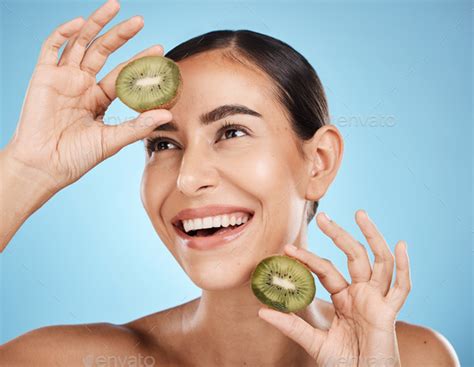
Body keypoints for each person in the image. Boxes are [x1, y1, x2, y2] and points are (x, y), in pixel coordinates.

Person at [0, 0, 460, 366]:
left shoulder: (415, 358)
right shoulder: (60, 361)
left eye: (232, 132)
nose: (189, 176)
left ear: (318, 162)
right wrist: (26, 170)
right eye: (162, 144)